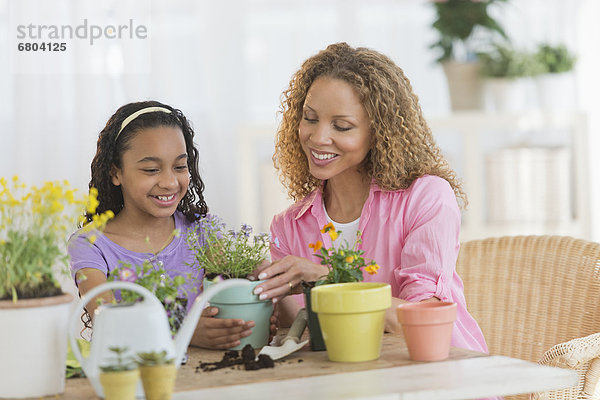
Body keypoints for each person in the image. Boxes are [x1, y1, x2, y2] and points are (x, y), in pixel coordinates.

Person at [251, 42, 488, 353]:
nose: (319, 137)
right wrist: (263, 293)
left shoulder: (426, 198)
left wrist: (326, 280)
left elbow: (421, 319)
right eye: (310, 118)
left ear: (379, 132)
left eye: (342, 125)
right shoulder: (289, 225)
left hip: (440, 381)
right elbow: (304, 334)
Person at [68, 100, 257, 349]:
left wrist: (253, 316)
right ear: (116, 173)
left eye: (180, 166)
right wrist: (182, 332)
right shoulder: (90, 245)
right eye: (151, 169)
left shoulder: (201, 231)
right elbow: (108, 325)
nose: (169, 182)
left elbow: (234, 295)